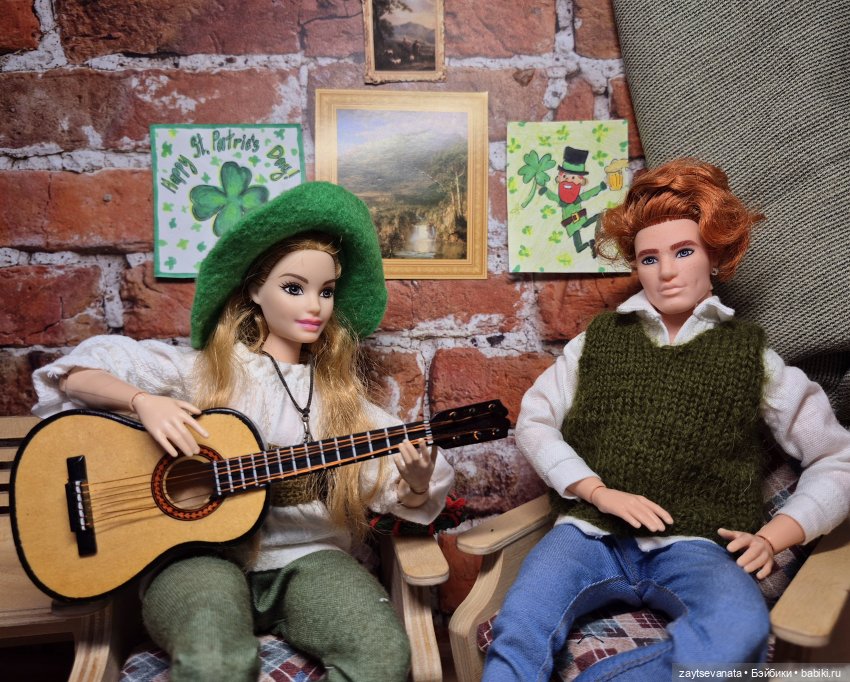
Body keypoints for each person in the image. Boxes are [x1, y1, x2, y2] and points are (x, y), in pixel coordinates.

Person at [31, 181, 455, 682]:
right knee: (215, 659)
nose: (314, 306)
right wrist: (143, 402)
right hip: (196, 559)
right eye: (294, 288)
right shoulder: (210, 372)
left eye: (325, 291)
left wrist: (417, 484)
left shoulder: (341, 403)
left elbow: (395, 479)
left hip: (309, 559)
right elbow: (74, 374)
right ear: (255, 291)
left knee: (382, 654)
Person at [484, 159, 850, 681]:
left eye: (684, 251)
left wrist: (777, 535)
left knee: (738, 631)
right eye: (648, 258)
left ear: (714, 255)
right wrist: (596, 491)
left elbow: (838, 458)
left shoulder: (751, 357)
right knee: (521, 623)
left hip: (697, 544)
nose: (667, 271)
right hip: (589, 535)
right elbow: (534, 421)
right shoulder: (598, 341)